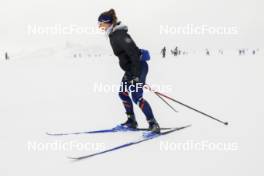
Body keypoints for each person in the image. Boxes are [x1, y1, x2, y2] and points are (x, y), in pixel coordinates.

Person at [98, 9, 160, 133]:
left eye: (101, 23)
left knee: (137, 97)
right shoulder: (113, 34)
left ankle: (153, 123)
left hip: (138, 67)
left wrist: (136, 76)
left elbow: (134, 54)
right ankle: (131, 121)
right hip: (131, 69)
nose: (99, 26)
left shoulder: (119, 35)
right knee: (123, 93)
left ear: (108, 22)